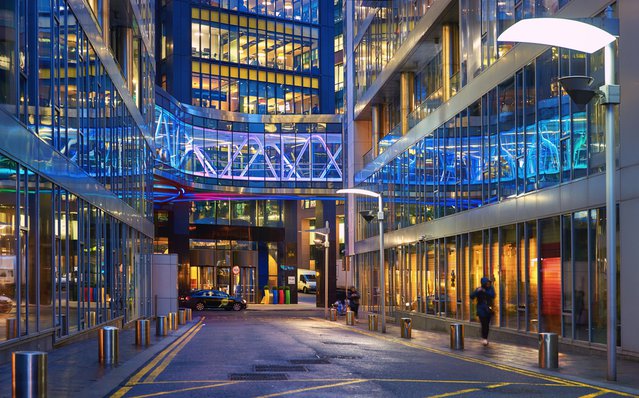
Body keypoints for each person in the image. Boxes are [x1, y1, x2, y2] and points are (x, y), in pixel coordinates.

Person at [470, 277, 495, 346]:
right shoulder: (479, 289)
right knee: (483, 323)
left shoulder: (490, 289)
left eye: (488, 283)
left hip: (488, 309)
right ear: (483, 284)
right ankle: (484, 338)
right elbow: (472, 296)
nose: (488, 284)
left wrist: (485, 291)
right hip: (481, 310)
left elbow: (493, 295)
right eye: (486, 283)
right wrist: (477, 291)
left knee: (487, 324)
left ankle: (485, 337)